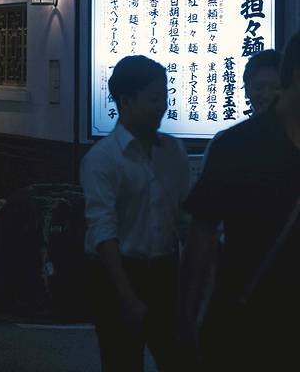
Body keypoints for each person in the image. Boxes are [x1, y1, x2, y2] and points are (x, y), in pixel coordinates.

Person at [179, 35, 300, 372]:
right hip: (247, 318)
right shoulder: (236, 145)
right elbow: (201, 239)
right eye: (258, 86)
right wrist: (186, 320)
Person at [79, 55, 190, 372]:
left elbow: (184, 220)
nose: (162, 106)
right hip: (118, 273)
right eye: (153, 98)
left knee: (178, 359)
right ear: (125, 101)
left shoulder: (173, 151)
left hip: (165, 271)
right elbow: (103, 231)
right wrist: (127, 297)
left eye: (164, 97)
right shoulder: (102, 159)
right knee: (122, 361)